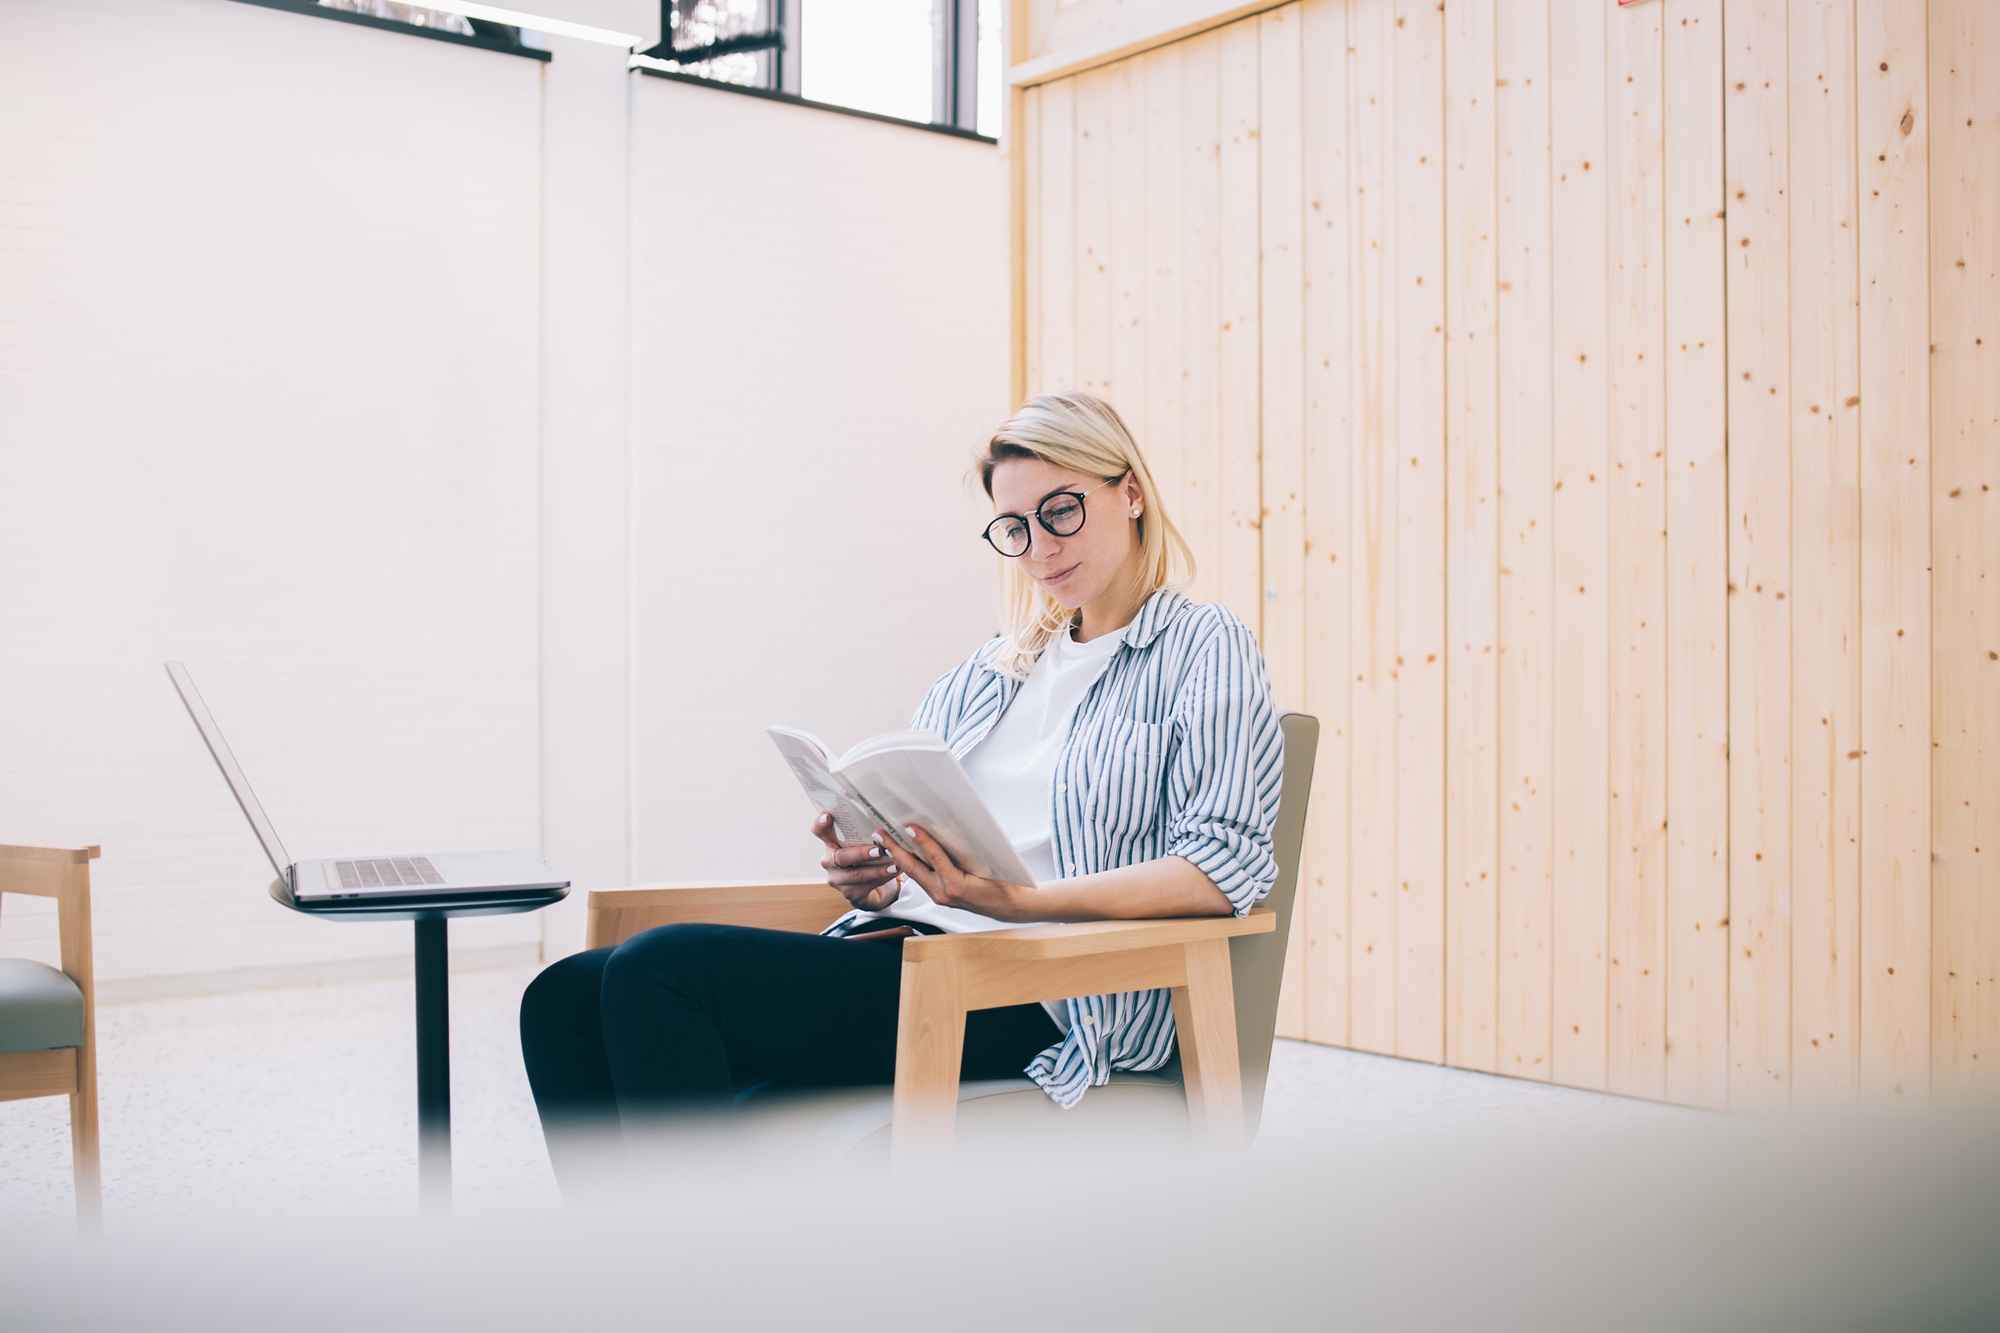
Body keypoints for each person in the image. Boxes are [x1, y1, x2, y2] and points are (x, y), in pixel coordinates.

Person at [519, 390, 1283, 1174]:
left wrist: (1013, 903)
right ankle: (631, 1281)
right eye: (1014, 528)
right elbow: (920, 847)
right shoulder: (988, 673)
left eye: (1061, 510)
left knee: (659, 970)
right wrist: (872, 875)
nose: (1040, 548)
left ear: (1129, 492)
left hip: (1037, 988)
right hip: (909, 949)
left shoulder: (1202, 644)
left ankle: (715, 1284)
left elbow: (1221, 866)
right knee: (561, 999)